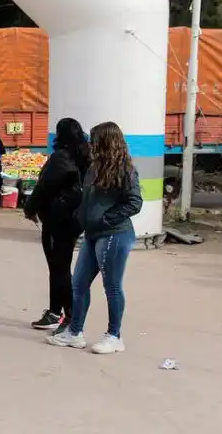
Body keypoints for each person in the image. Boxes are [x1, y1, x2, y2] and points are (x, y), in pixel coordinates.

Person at [47, 121, 142, 355]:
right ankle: (75, 332)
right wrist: (79, 219)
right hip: (92, 235)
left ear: (106, 142)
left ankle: (114, 336)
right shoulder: (94, 167)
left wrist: (106, 219)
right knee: (78, 284)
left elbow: (134, 202)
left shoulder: (124, 169)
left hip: (114, 235)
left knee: (112, 287)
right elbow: (87, 200)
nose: (89, 143)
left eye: (94, 139)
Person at [24, 118, 90, 331]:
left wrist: (30, 209)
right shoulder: (84, 155)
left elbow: (44, 187)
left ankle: (67, 316)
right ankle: (57, 312)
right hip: (73, 219)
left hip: (57, 219)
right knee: (60, 266)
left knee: (59, 268)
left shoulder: (61, 157)